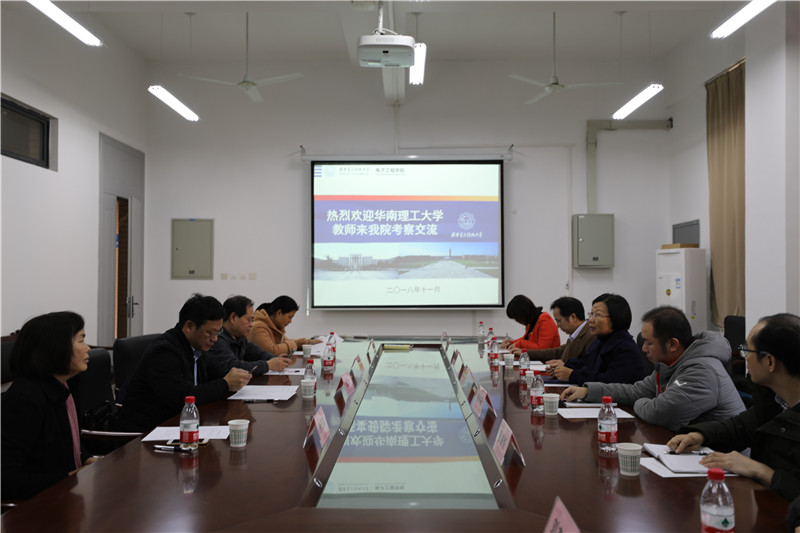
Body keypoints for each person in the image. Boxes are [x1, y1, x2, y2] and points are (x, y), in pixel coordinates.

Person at [668, 313, 800, 502]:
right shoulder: (775, 400)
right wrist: (699, 436)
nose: (745, 358)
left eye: (748, 351)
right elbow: (739, 427)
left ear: (770, 362)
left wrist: (763, 472)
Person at [560, 306, 745, 431]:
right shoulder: (669, 364)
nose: (643, 348)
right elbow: (635, 391)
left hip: (722, 461)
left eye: (649, 343)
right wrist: (588, 391)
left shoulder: (702, 371)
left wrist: (642, 402)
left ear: (673, 344)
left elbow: (661, 413)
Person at [117, 294, 251, 432]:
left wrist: (235, 377)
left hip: (180, 424)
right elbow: (183, 398)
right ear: (189, 326)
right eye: (211, 333)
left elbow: (214, 374)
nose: (215, 339)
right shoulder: (164, 352)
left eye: (218, 333)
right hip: (146, 433)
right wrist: (225, 384)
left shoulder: (197, 347)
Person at [1, 312, 100, 500]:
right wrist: (69, 478)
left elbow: (70, 438)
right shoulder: (25, 398)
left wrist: (86, 458)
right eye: (81, 340)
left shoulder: (67, 383)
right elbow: (5, 479)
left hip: (70, 496)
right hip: (41, 505)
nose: (87, 347)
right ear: (56, 348)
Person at [550, 293, 643, 384]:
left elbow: (609, 382)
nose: (591, 320)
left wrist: (572, 375)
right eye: (591, 314)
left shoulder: (626, 349)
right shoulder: (600, 340)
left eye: (597, 315)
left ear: (615, 317)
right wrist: (564, 367)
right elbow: (587, 364)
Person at [206, 295, 291, 377]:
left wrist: (274, 359)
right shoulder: (216, 339)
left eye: (252, 320)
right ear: (233, 318)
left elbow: (258, 354)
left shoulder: (239, 338)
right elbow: (234, 367)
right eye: (249, 320)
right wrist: (268, 365)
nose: (251, 325)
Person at [522, 296, 595, 363]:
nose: (558, 325)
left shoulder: (591, 336)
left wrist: (564, 366)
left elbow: (588, 367)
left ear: (573, 317)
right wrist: (525, 353)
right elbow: (556, 352)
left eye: (559, 321)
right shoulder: (575, 335)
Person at [249, 296, 321, 356]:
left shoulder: (274, 326)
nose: (290, 321)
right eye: (289, 317)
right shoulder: (258, 327)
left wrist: (308, 342)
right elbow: (272, 352)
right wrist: (294, 345)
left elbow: (287, 342)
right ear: (279, 313)